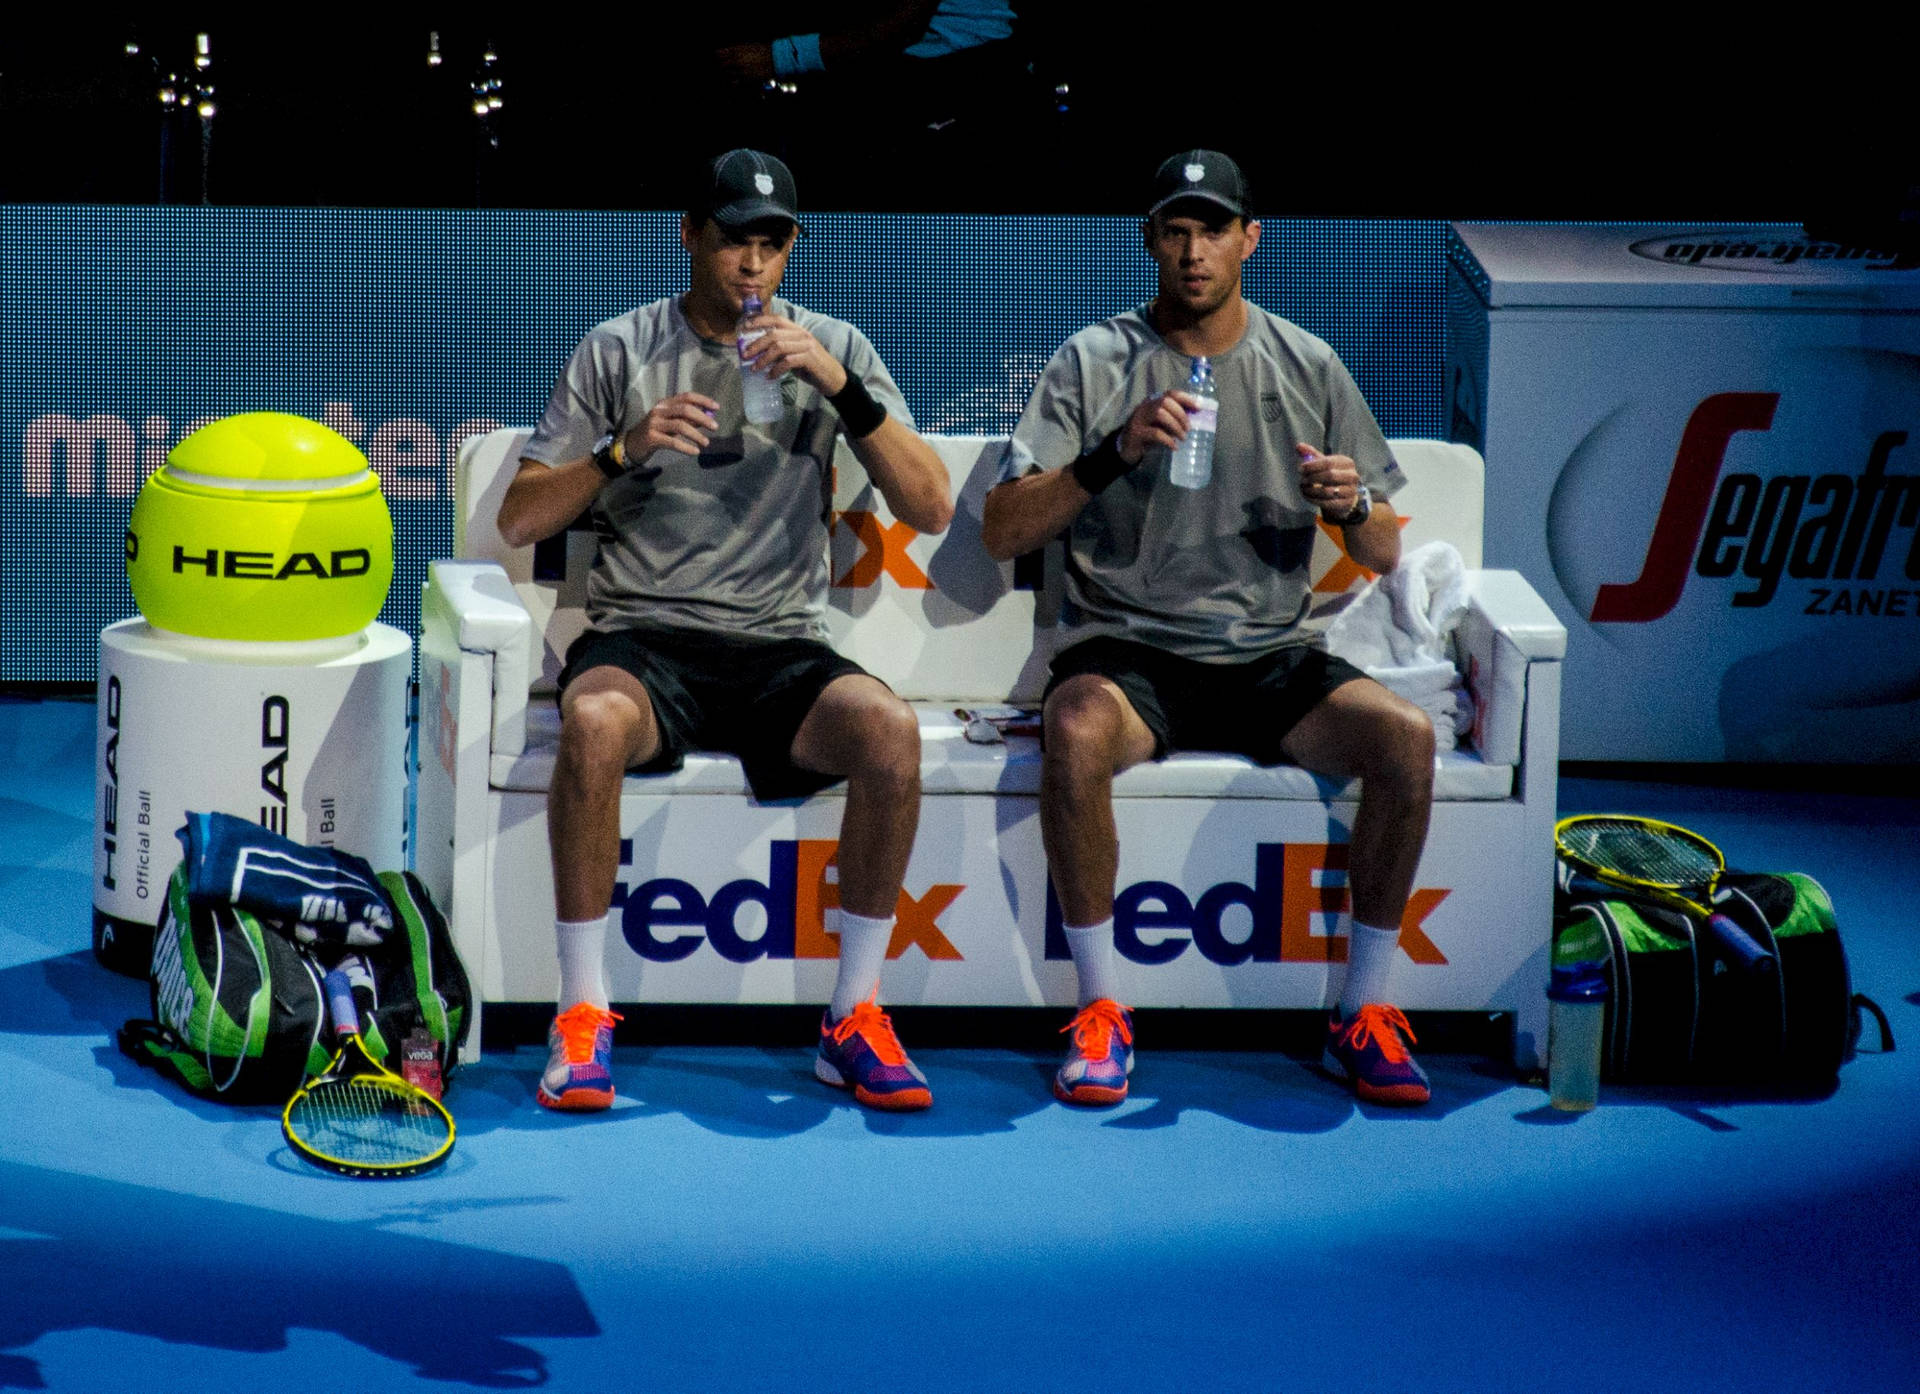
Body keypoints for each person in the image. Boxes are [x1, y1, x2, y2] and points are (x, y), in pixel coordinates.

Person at [497, 149, 954, 1113]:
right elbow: (522, 518)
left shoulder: (831, 346)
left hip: (780, 646)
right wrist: (624, 449)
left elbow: (932, 505)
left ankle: (853, 1017)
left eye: (771, 243)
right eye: (733, 240)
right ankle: (582, 1015)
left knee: (891, 733)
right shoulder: (618, 349)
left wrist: (840, 385)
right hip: (646, 639)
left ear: (790, 251)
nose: (752, 264)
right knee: (591, 724)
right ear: (689, 236)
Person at [981, 150, 1438, 1108]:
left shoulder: (1306, 362)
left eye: (1213, 229)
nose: (1194, 251)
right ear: (1151, 240)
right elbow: (1005, 527)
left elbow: (1390, 548)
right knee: (1073, 731)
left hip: (1269, 655)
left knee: (1404, 740)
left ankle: (1364, 1010)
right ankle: (1103, 1009)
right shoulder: (1094, 360)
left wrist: (1351, 507)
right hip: (1129, 652)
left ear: (1249, 239)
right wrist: (1113, 452)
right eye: (1176, 230)